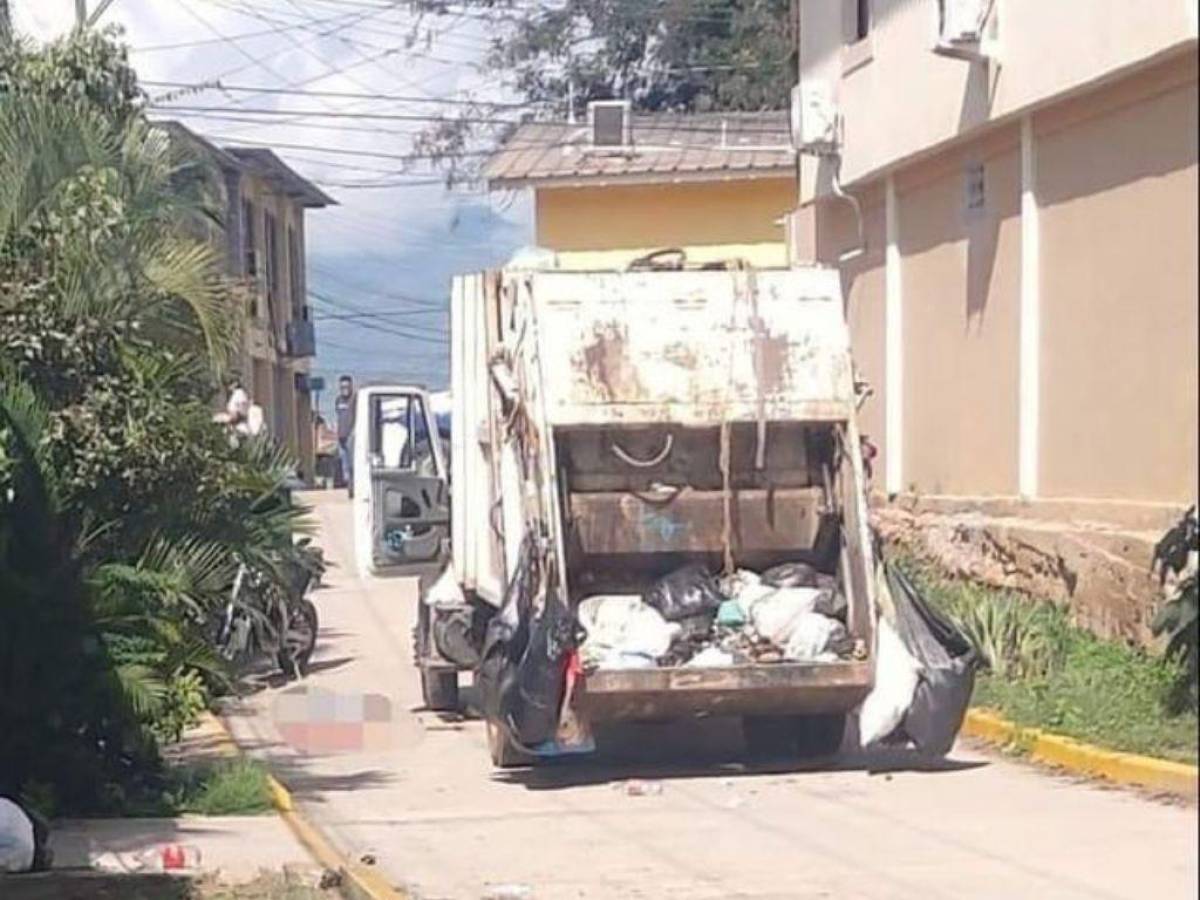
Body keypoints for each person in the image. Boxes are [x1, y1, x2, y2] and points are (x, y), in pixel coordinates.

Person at [334, 374, 355, 493]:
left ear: (351, 386)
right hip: (340, 437)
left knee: (352, 464)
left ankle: (352, 487)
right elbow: (338, 416)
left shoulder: (354, 399)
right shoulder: (338, 400)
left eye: (347, 386)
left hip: (351, 436)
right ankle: (347, 486)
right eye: (342, 387)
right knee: (344, 465)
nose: (345, 389)